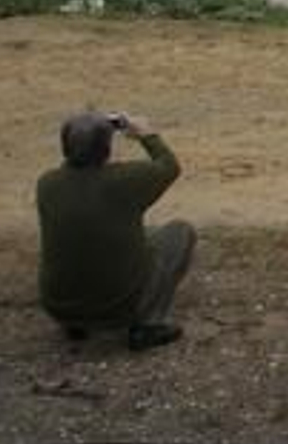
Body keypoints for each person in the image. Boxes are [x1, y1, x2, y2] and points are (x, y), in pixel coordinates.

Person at [36, 110, 197, 351]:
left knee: (83, 240)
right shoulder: (125, 180)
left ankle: (75, 324)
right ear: (106, 149)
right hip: (119, 307)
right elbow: (169, 165)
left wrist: (82, 142)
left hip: (59, 307)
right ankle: (148, 326)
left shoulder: (47, 184)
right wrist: (146, 134)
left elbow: (76, 181)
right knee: (180, 232)